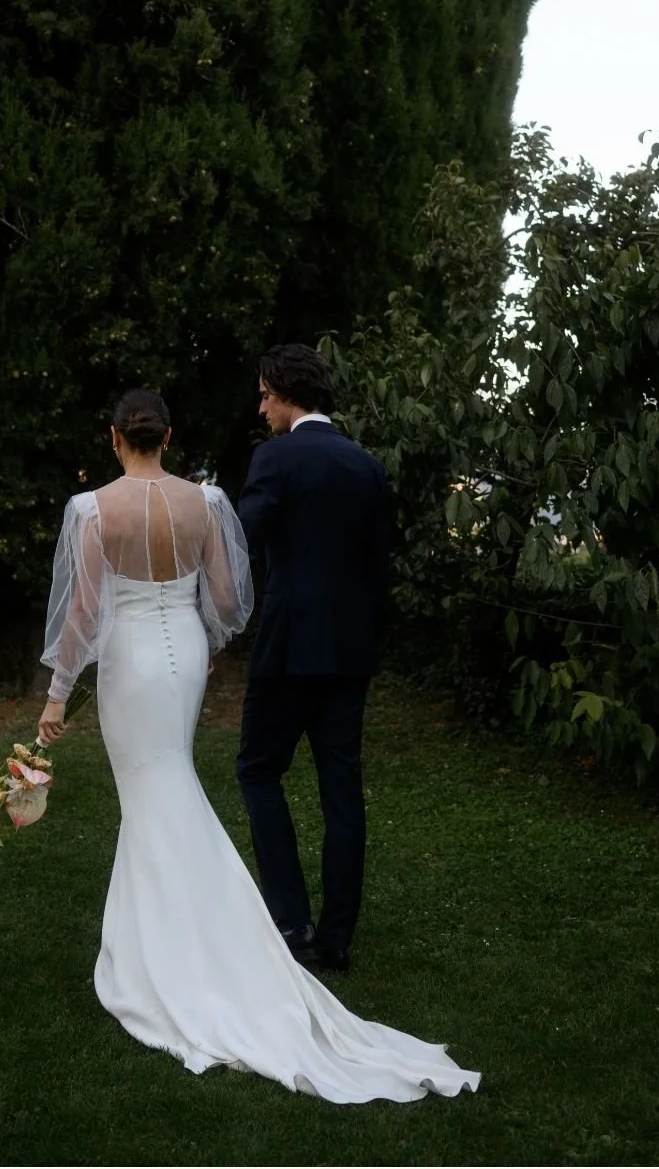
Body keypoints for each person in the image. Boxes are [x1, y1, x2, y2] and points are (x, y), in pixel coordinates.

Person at [37, 388, 479, 1103]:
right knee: (167, 784)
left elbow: (85, 611)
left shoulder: (91, 511)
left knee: (152, 795)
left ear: (114, 437)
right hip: (181, 653)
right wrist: (200, 642)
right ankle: (166, 939)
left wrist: (57, 698)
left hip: (130, 664)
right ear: (168, 436)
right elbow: (226, 599)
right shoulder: (206, 503)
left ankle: (173, 954)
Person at [237, 344, 389, 972]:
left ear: (285, 390)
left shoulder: (274, 457)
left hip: (288, 647)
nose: (262, 406)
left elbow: (240, 536)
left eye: (265, 395)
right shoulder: (366, 465)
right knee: (341, 791)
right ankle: (336, 937)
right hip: (351, 650)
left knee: (256, 769)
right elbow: (380, 564)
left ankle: (291, 919)